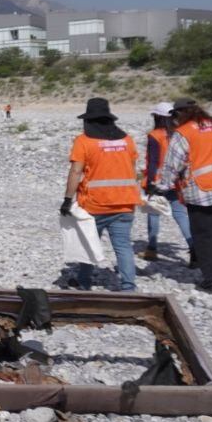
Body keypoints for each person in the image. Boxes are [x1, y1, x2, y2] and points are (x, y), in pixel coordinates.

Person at [155, 98, 212, 294]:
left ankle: (211, 281)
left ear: (179, 114)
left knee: (205, 236)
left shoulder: (184, 132)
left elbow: (173, 164)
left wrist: (162, 186)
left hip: (204, 192)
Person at [61, 98, 141, 291]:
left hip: (95, 204)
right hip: (125, 202)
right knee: (123, 246)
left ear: (88, 120)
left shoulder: (84, 141)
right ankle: (128, 287)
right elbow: (132, 169)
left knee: (88, 243)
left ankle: (84, 282)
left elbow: (76, 171)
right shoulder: (126, 140)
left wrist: (67, 200)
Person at [142, 102, 193, 262]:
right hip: (176, 181)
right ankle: (194, 249)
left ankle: (151, 249)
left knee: (153, 213)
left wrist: (150, 183)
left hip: (158, 181)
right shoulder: (180, 133)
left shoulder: (155, 135)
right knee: (180, 215)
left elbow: (153, 161)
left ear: (157, 117)